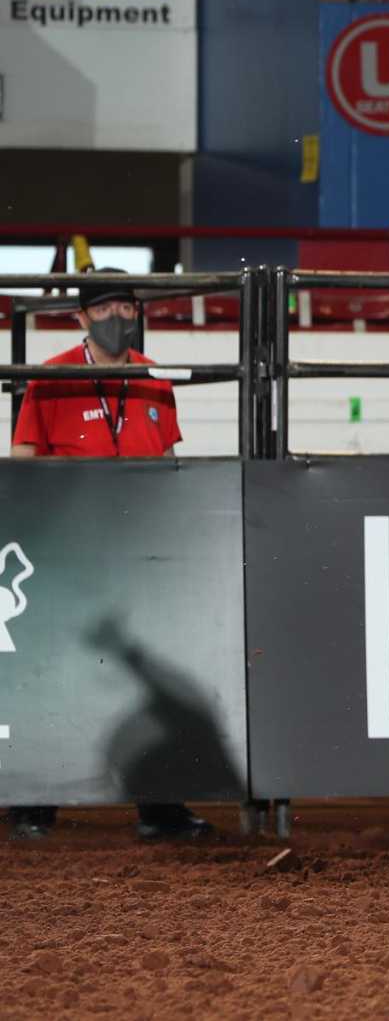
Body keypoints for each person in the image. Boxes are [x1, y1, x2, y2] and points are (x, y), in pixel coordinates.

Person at [9, 270, 213, 841]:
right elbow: (22, 462)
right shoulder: (48, 379)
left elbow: (172, 464)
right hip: (72, 549)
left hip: (142, 552)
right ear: (80, 318)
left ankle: (159, 804)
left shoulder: (153, 381)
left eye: (126, 305)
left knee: (149, 674)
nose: (118, 316)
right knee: (50, 674)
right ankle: (33, 800)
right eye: (104, 308)